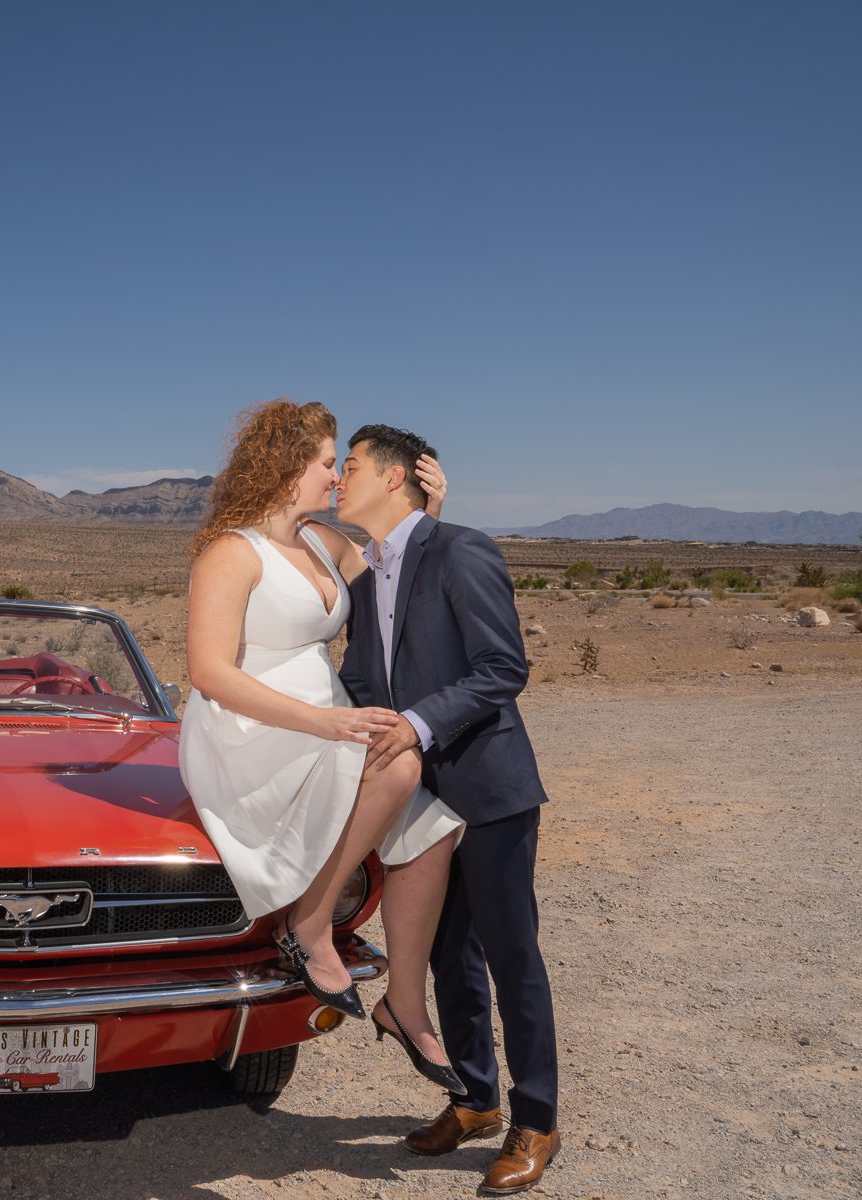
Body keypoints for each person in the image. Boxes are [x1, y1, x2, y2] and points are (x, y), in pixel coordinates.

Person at [180, 401, 463, 1090]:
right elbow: (210, 672)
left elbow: (407, 574)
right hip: (249, 732)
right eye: (327, 463)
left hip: (325, 718)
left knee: (431, 833)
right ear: (288, 467)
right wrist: (325, 724)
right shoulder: (231, 552)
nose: (337, 478)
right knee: (398, 762)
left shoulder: (324, 542)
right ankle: (309, 924)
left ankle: (405, 1003)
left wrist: (434, 510)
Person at [335, 424, 561, 1196]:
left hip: (489, 790)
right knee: (446, 956)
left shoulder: (462, 549)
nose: (339, 479)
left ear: (395, 478)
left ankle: (537, 1119)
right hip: (420, 802)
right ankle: (474, 1099)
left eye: (352, 467)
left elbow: (504, 667)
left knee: (511, 955)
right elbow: (364, 680)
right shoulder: (364, 582)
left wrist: (418, 726)